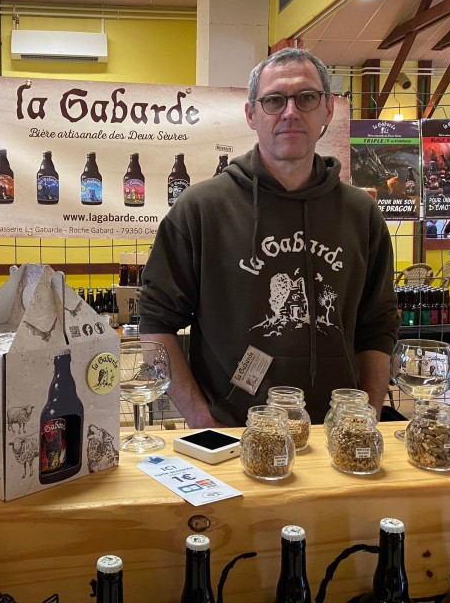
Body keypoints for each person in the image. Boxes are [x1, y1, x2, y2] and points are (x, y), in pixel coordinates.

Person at [138, 48, 399, 428]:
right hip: (234, 431)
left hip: (337, 433)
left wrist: (368, 413)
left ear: (328, 109)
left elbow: (378, 325)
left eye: (306, 97)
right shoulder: (201, 209)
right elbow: (154, 324)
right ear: (251, 114)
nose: (290, 112)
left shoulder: (361, 214)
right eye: (274, 100)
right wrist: (201, 419)